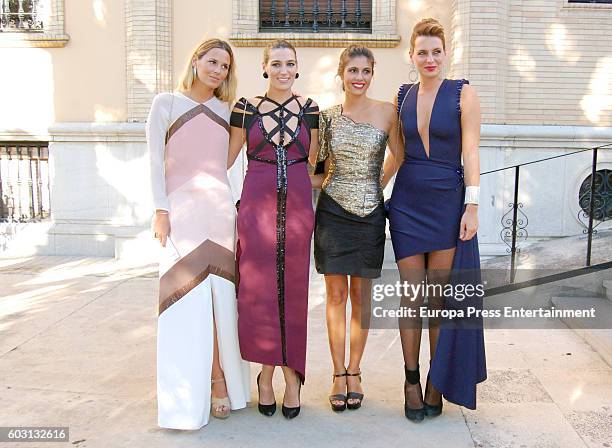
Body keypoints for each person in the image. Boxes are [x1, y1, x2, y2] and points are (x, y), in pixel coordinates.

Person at [387, 18, 487, 422]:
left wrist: (474, 205)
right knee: (411, 297)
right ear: (411, 56)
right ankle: (411, 380)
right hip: (408, 201)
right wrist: (365, 194)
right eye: (422, 52)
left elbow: (472, 152)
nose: (429, 59)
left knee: (439, 302)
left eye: (436, 52)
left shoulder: (463, 93)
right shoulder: (402, 95)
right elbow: (396, 153)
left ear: (446, 55)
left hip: (448, 202)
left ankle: (436, 379)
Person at [147, 38, 250, 429]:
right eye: (212, 62)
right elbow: (155, 161)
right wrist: (161, 210)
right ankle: (190, 389)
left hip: (220, 215)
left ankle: (222, 379)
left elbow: (227, 165)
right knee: (183, 302)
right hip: (180, 215)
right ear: (195, 61)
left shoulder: (228, 110)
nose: (218, 71)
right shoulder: (166, 104)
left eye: (224, 66)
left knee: (220, 302)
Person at [228, 40, 319, 420]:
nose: (283, 70)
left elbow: (315, 166)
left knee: (294, 292)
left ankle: (292, 378)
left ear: (297, 69)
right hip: (256, 206)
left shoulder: (311, 109)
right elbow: (225, 160)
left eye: (290, 64)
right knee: (259, 293)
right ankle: (265, 375)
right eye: (276, 63)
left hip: (298, 207)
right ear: (264, 67)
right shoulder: (244, 109)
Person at [311, 45, 401, 412]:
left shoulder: (388, 113)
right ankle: (336, 373)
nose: (359, 78)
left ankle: (355, 371)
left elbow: (401, 154)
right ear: (341, 74)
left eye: (366, 71)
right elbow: (316, 170)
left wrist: (378, 182)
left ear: (372, 74)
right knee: (335, 297)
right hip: (332, 214)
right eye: (353, 71)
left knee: (361, 298)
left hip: (369, 217)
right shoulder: (327, 117)